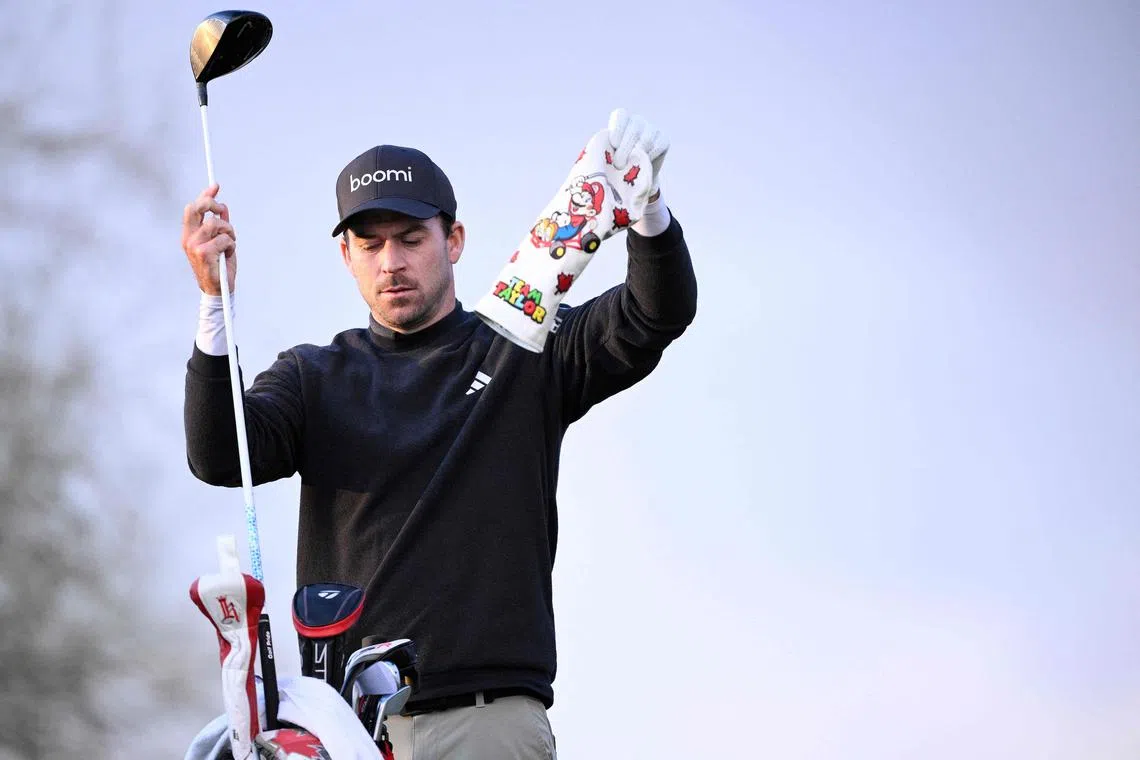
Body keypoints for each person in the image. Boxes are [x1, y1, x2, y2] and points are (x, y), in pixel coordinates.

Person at [180, 110, 697, 759]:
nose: (391, 261)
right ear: (346, 255)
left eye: (410, 238)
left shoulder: (522, 348)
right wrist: (213, 301)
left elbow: (656, 313)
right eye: (369, 244)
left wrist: (646, 215)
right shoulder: (314, 376)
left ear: (453, 239)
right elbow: (221, 453)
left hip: (486, 722)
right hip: (345, 729)